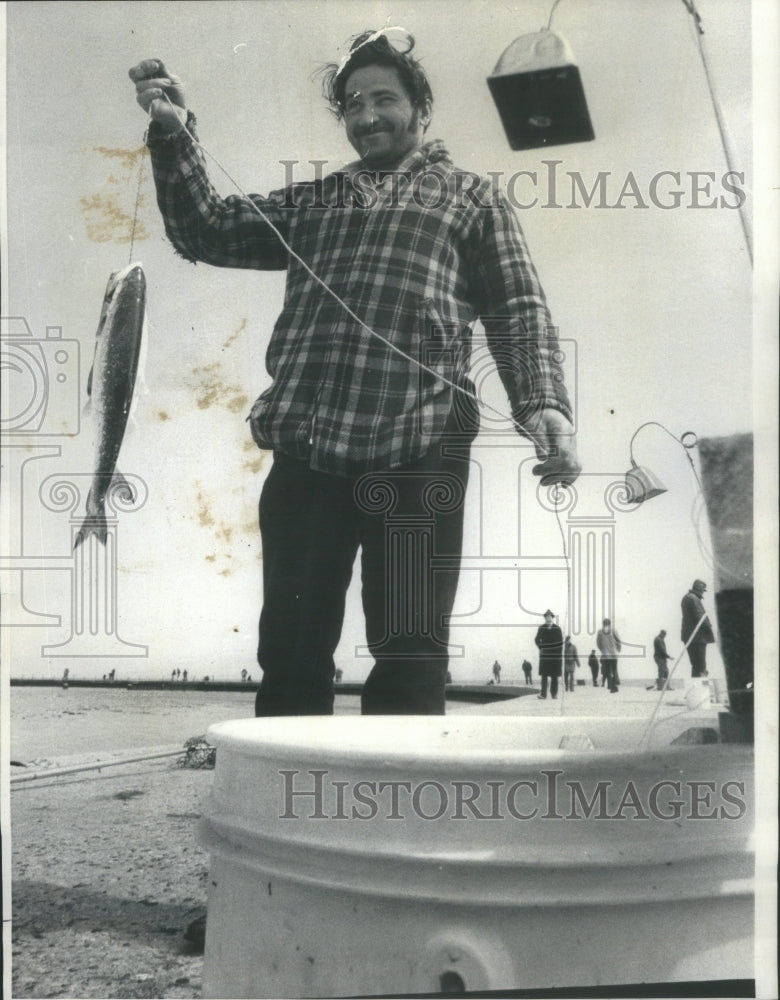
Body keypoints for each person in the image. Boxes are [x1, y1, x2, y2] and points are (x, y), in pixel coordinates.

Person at [129, 29, 580, 717]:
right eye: (353, 105)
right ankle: (289, 793)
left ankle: (396, 813)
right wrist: (174, 133)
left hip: (420, 441)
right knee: (291, 644)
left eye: (384, 99)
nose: (367, 116)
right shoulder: (314, 203)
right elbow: (206, 231)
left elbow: (519, 308)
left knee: (409, 646)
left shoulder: (471, 199)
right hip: (308, 445)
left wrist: (544, 403)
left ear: (420, 105)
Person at [680, 579, 715, 677]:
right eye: (703, 590)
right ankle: (702, 687)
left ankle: (697, 688)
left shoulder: (687, 598)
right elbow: (700, 617)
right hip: (698, 638)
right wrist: (710, 628)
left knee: (696, 666)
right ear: (700, 589)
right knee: (700, 667)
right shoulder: (694, 599)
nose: (704, 592)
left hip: (690, 637)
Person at [534, 610, 564, 699]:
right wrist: (541, 648)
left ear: (552, 618)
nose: (548, 618)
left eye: (550, 616)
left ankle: (554, 694)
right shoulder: (541, 628)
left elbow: (560, 642)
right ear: (545, 618)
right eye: (547, 616)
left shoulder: (557, 628)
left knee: (554, 676)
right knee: (544, 675)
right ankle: (543, 694)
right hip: (545, 655)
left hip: (555, 656)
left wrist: (559, 655)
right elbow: (536, 640)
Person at [596, 618, 622, 693]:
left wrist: (603, 650)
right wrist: (618, 649)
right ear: (610, 624)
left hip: (605, 655)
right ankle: (613, 686)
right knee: (614, 670)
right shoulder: (613, 631)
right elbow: (618, 641)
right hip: (613, 654)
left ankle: (610, 686)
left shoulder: (600, 632)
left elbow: (598, 643)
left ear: (603, 624)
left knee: (608, 671)